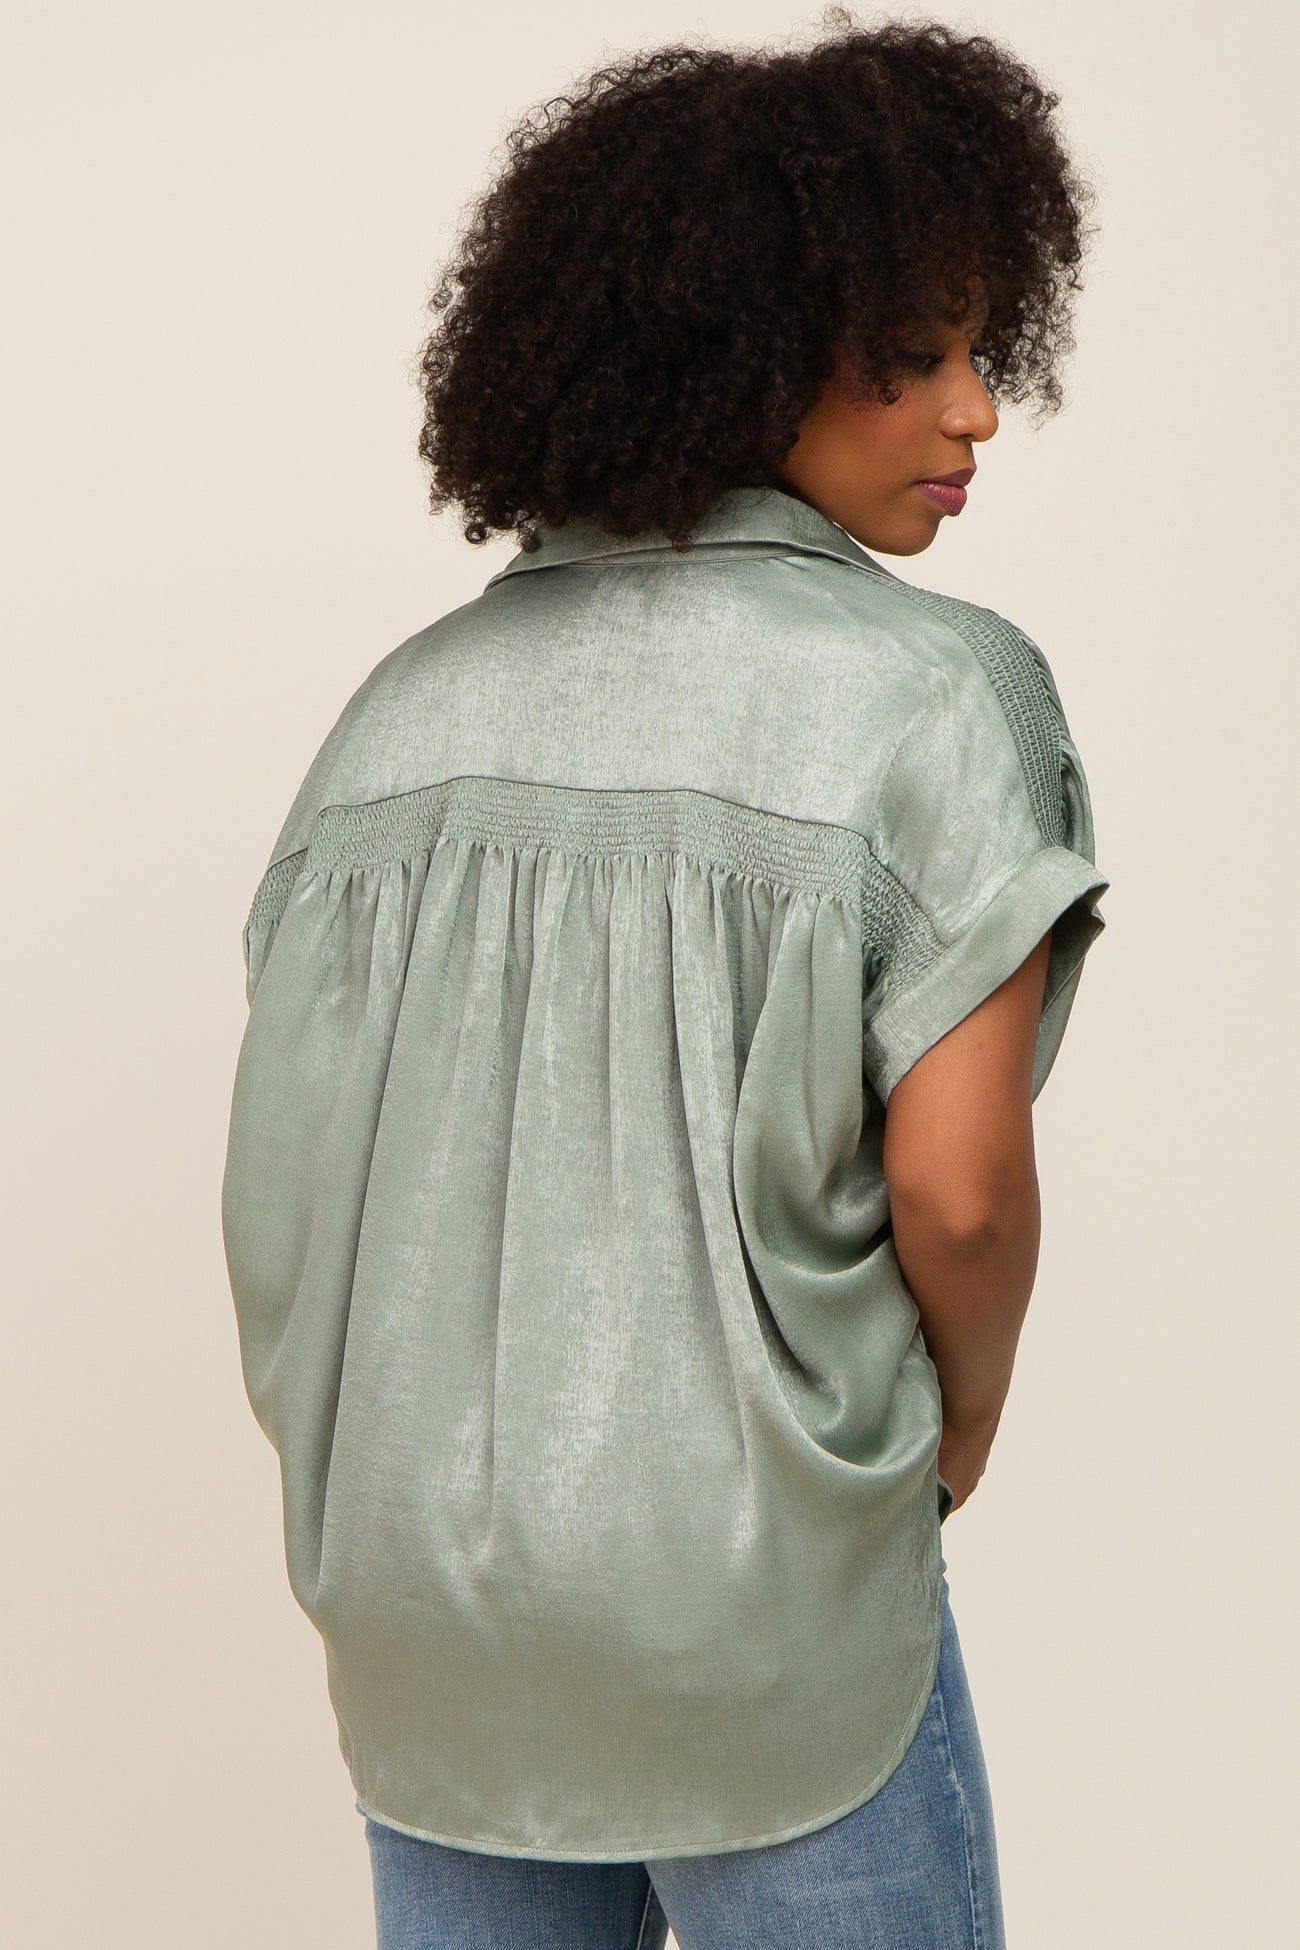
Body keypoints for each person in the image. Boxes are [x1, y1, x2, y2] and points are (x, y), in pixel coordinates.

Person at [220, 12, 1110, 1947]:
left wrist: (400, 1497)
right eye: (913, 357)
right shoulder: (935, 695)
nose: (976, 411)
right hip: (769, 1620)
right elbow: (961, 1186)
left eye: (983, 350)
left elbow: (278, 1214)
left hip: (434, 1622)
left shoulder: (389, 722)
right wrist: (964, 1413)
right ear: (745, 360)